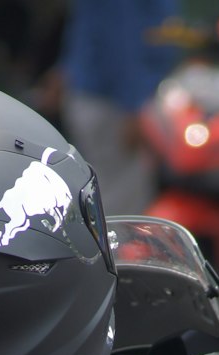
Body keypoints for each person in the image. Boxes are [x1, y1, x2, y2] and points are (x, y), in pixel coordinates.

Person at [55, 0, 183, 215]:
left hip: (94, 95)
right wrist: (132, 107)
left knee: (100, 190)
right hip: (111, 103)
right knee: (120, 207)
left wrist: (66, 70)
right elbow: (122, 38)